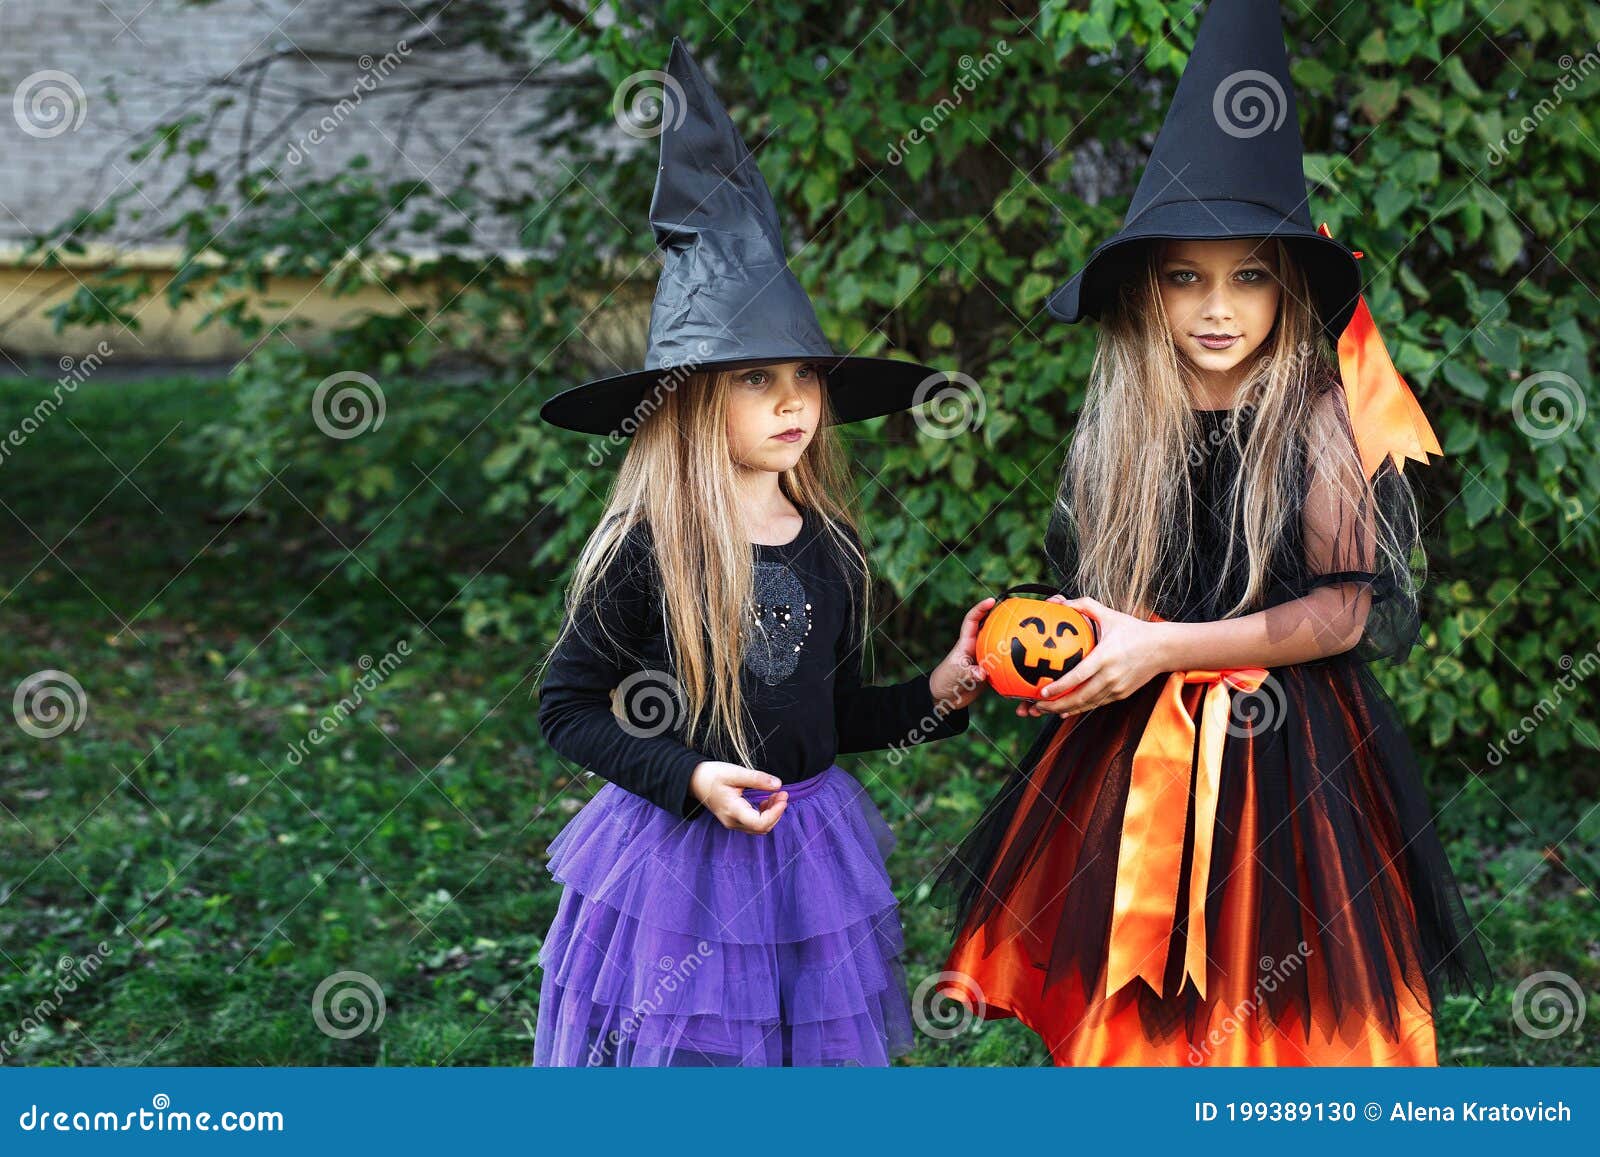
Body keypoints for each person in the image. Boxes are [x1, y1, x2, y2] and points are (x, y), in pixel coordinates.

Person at [936, 0, 1490, 1065]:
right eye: (1185, 276)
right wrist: (1029, 644)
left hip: (1288, 739)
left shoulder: (1320, 413)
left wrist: (1167, 648)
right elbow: (1096, 598)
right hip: (1134, 739)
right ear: (1147, 291)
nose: (1216, 307)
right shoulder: (1122, 420)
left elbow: (1340, 612)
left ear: (1286, 285)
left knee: (1274, 976)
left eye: (1245, 275)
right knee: (1135, 1005)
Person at [532, 39, 991, 1067]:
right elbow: (566, 706)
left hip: (808, 848)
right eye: (751, 378)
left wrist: (943, 689)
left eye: (802, 375)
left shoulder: (827, 543)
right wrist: (687, 773)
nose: (789, 399)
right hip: (681, 860)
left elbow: (837, 712)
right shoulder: (650, 549)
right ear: (689, 400)